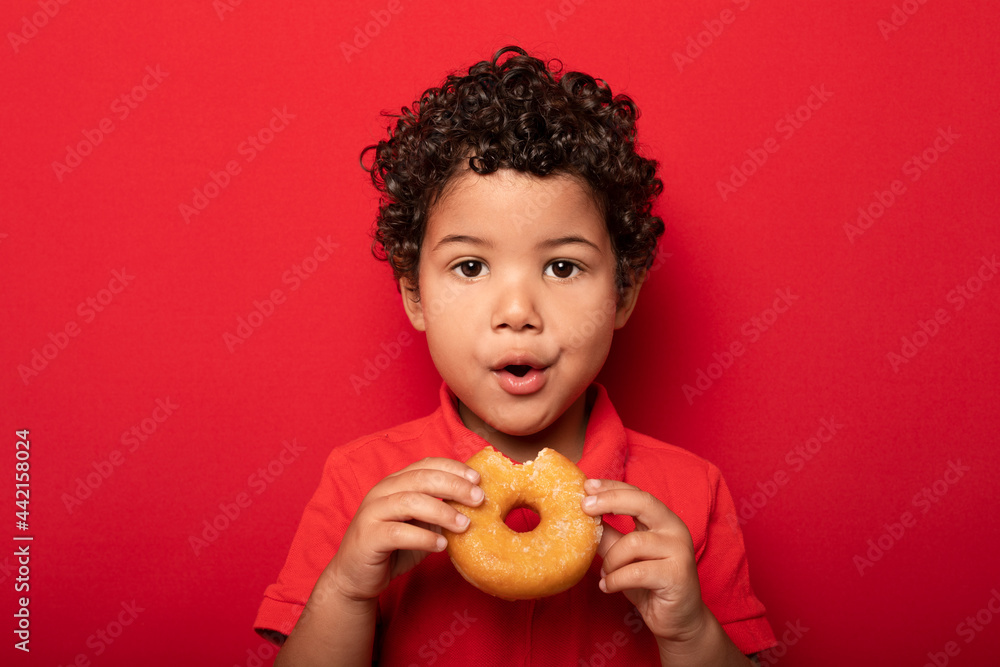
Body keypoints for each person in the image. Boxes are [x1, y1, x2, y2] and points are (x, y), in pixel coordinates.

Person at [255, 45, 777, 665]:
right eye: (471, 266)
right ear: (415, 295)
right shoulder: (362, 486)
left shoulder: (689, 494)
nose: (518, 311)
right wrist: (346, 591)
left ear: (624, 292)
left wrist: (689, 631)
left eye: (562, 267)